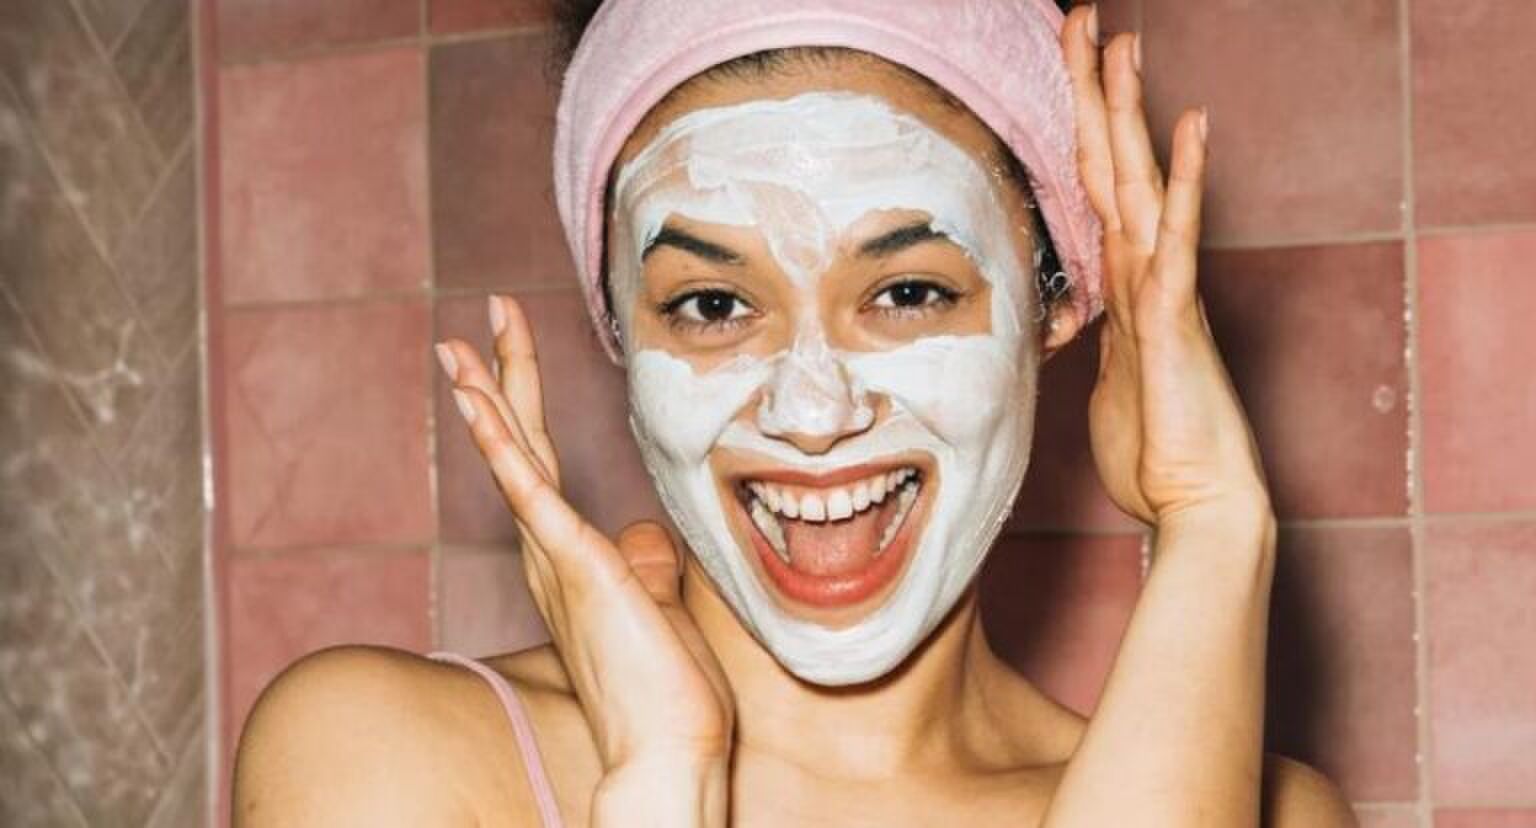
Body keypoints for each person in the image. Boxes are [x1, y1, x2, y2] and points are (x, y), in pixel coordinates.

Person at [233, 1, 1356, 825]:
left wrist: (1214, 524)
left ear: (1053, 302)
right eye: (714, 304)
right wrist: (660, 786)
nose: (812, 413)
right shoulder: (387, 761)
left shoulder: (1264, 812)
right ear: (622, 331)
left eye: (909, 292)